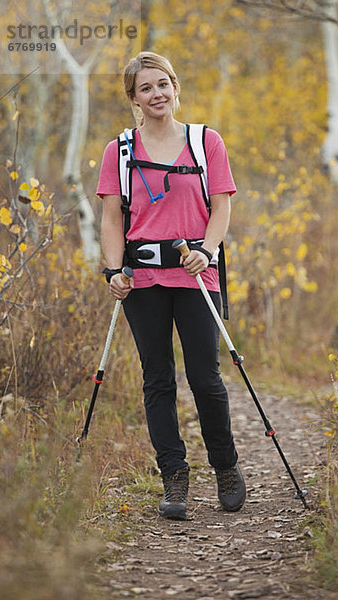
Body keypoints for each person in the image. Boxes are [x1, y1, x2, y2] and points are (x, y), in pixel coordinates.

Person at [96, 51, 246, 521]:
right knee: (157, 377)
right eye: (146, 88)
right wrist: (112, 270)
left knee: (205, 376)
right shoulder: (119, 151)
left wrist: (208, 249)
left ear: (175, 87)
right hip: (143, 278)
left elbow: (221, 207)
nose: (157, 94)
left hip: (196, 272)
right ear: (133, 99)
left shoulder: (206, 142)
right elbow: (110, 218)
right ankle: (174, 477)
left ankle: (225, 467)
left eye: (163, 84)